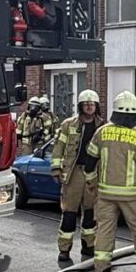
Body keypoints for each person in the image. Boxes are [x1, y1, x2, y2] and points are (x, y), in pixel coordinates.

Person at [84, 91, 136, 272]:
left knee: (104, 231)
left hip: (106, 193)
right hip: (132, 196)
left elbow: (89, 162)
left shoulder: (102, 132)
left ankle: (101, 271)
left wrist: (92, 183)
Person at [50, 89, 105, 262]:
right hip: (73, 173)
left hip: (93, 173)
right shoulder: (69, 125)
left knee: (90, 212)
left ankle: (88, 246)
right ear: (81, 106)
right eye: (86, 104)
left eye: (92, 104)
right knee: (69, 212)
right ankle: (64, 249)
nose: (89, 107)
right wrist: (56, 169)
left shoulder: (103, 126)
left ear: (96, 106)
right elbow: (58, 147)